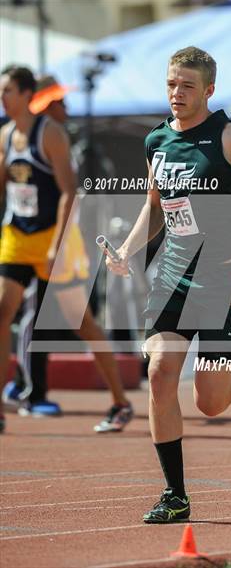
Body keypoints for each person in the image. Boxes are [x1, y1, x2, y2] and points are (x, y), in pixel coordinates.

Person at [106, 46, 231, 523]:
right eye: (170, 83)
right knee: (160, 372)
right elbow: (155, 205)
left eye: (186, 85)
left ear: (208, 90)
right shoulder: (156, 141)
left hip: (225, 279)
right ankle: (175, 495)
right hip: (172, 277)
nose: (176, 93)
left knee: (210, 403)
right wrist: (127, 251)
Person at [0, 67, 134, 433]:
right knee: (3, 311)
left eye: (8, 90)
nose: (3, 97)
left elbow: (68, 192)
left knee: (83, 323)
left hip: (55, 239)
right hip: (17, 237)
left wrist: (56, 246)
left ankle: (120, 401)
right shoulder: (6, 136)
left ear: (27, 94)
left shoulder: (51, 134)